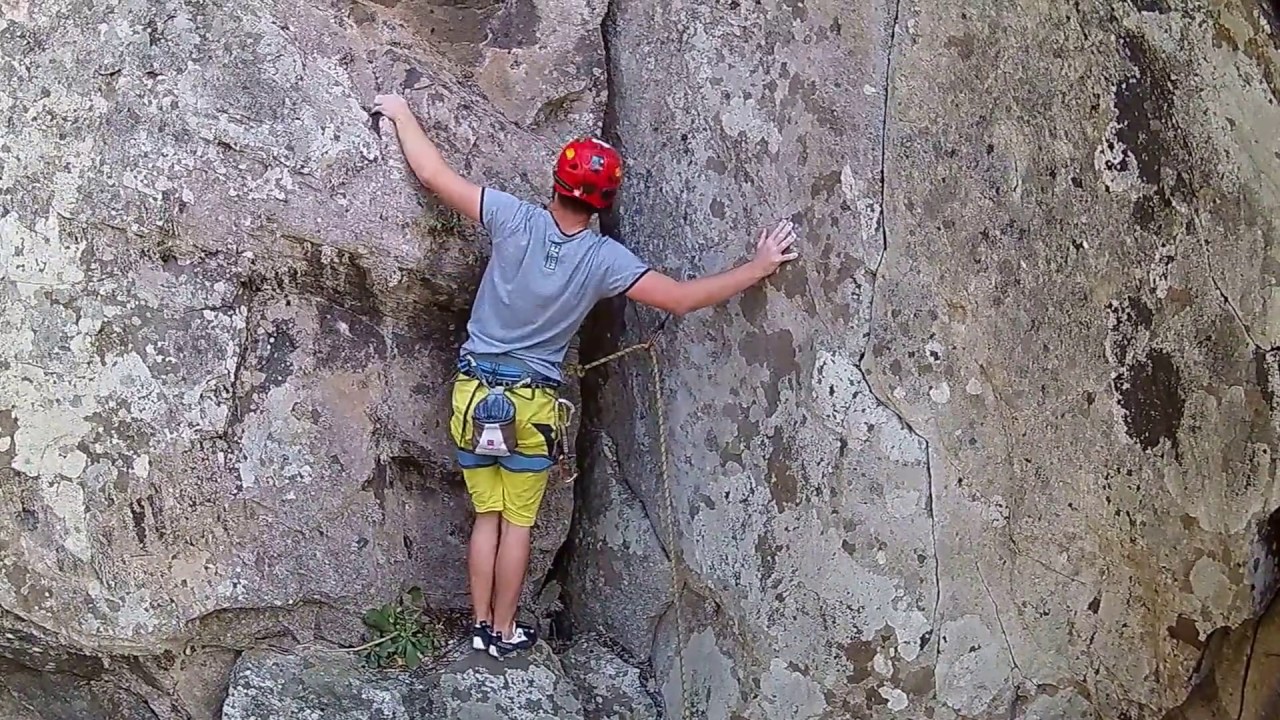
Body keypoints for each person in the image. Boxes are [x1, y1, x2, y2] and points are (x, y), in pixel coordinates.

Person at [371, 92, 798, 659]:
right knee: (518, 521)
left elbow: (430, 174)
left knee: (487, 516)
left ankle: (478, 629)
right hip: (532, 407)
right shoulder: (604, 260)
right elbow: (680, 299)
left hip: (475, 396)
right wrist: (760, 265)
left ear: (555, 181)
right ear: (604, 202)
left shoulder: (509, 217)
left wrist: (400, 112)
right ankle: (503, 632)